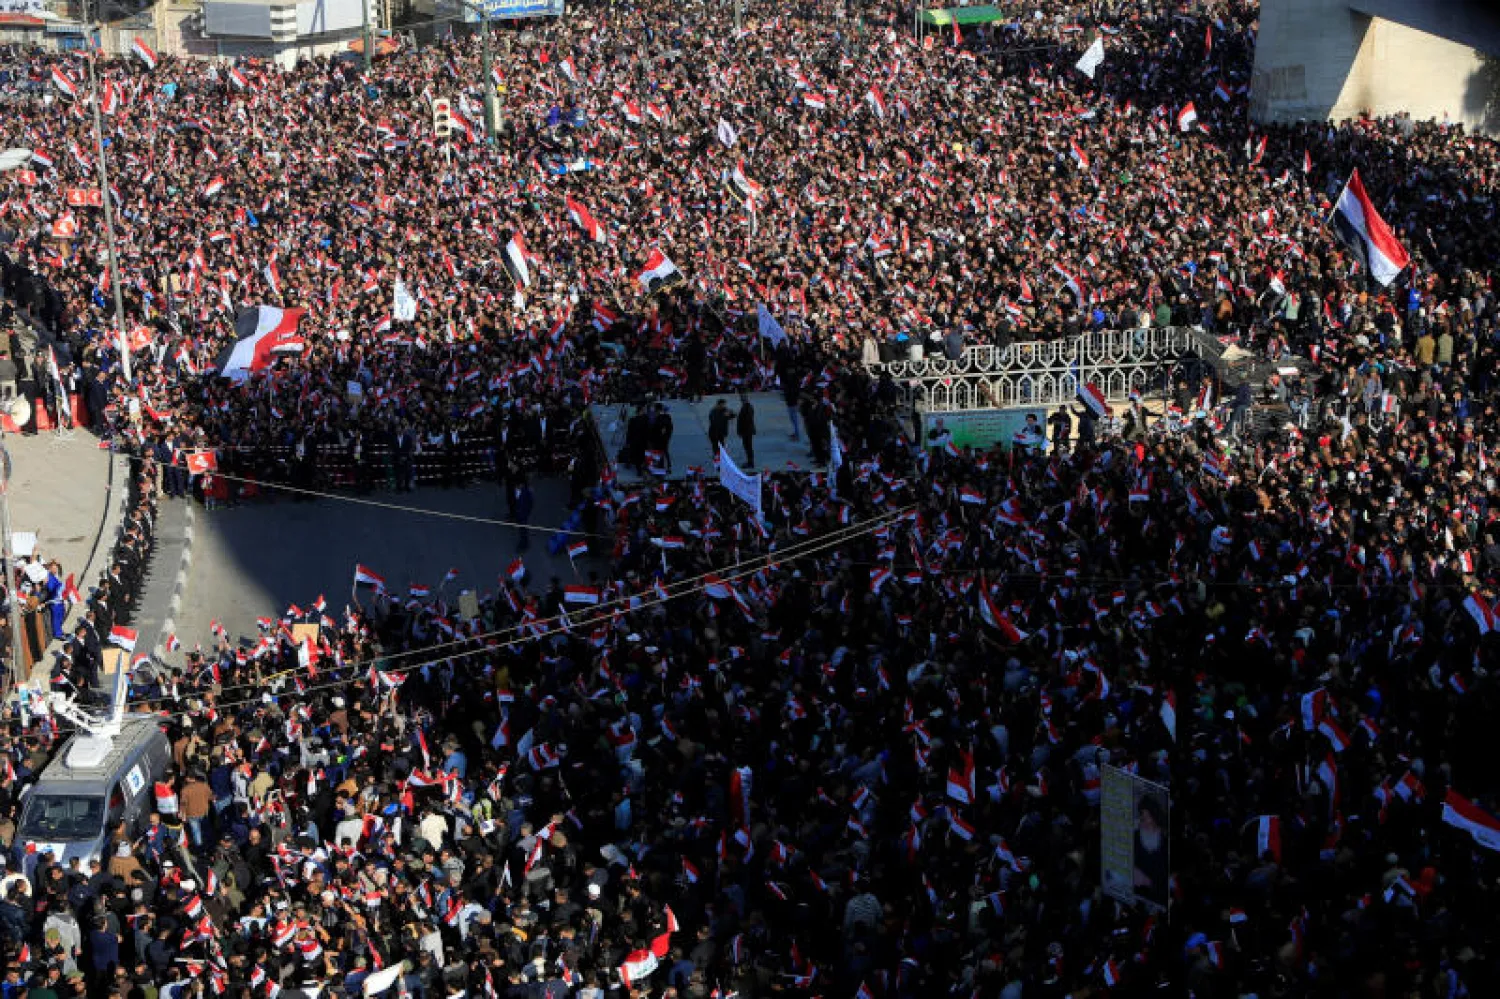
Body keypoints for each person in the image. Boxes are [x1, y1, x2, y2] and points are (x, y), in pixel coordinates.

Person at [1132, 794, 1170, 911]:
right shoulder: (1136, 837)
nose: (1145, 821)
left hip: (1159, 893)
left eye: (1148, 816)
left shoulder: (1164, 839)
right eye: (1143, 817)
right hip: (1139, 892)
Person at [735, 392, 756, 468]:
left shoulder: (747, 408)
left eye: (742, 399)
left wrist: (741, 431)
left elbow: (746, 421)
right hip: (747, 431)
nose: (742, 400)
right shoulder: (746, 407)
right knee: (747, 447)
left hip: (747, 431)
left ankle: (750, 463)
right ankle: (750, 462)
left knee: (748, 447)